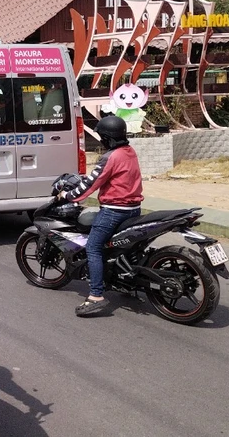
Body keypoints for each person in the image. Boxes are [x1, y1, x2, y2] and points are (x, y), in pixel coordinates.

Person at [58, 115, 143, 317]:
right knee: (123, 245)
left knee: (93, 247)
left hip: (114, 211)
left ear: (107, 138)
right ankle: (127, 282)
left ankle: (96, 295)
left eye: (101, 137)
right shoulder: (129, 152)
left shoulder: (110, 157)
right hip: (134, 208)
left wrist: (68, 196)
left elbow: (90, 183)